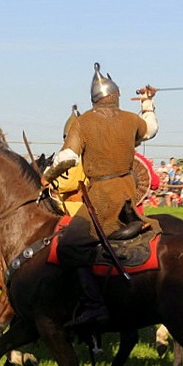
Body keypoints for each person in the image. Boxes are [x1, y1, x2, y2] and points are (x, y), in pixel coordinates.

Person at [43, 63, 159, 328]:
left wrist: (47, 175)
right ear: (116, 96)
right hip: (128, 192)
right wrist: (147, 104)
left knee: (69, 244)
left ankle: (95, 305)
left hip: (103, 197)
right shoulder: (131, 119)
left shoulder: (84, 122)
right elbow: (150, 130)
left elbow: (68, 158)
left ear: (94, 99)